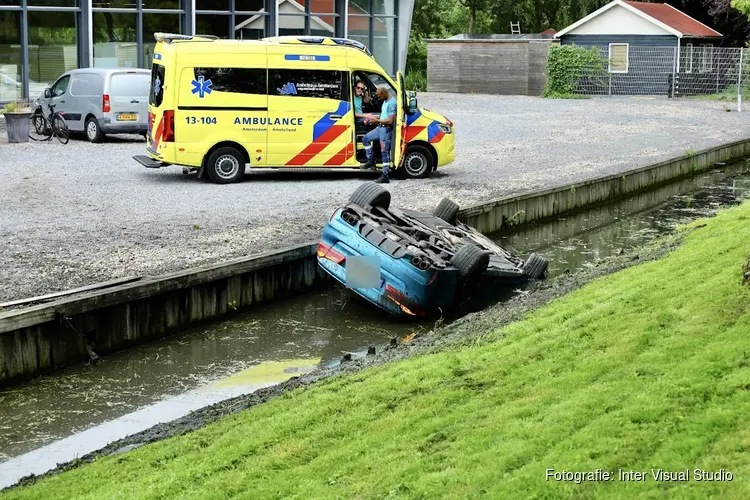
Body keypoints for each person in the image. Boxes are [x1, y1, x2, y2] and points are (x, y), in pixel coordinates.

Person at [360, 84, 397, 184]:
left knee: (384, 152)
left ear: (384, 93)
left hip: (386, 130)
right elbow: (384, 116)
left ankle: (385, 176)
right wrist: (375, 120)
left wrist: (377, 121)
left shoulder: (392, 103)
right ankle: (371, 160)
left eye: (379, 96)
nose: (379, 98)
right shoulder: (385, 101)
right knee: (365, 139)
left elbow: (389, 121)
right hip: (380, 128)